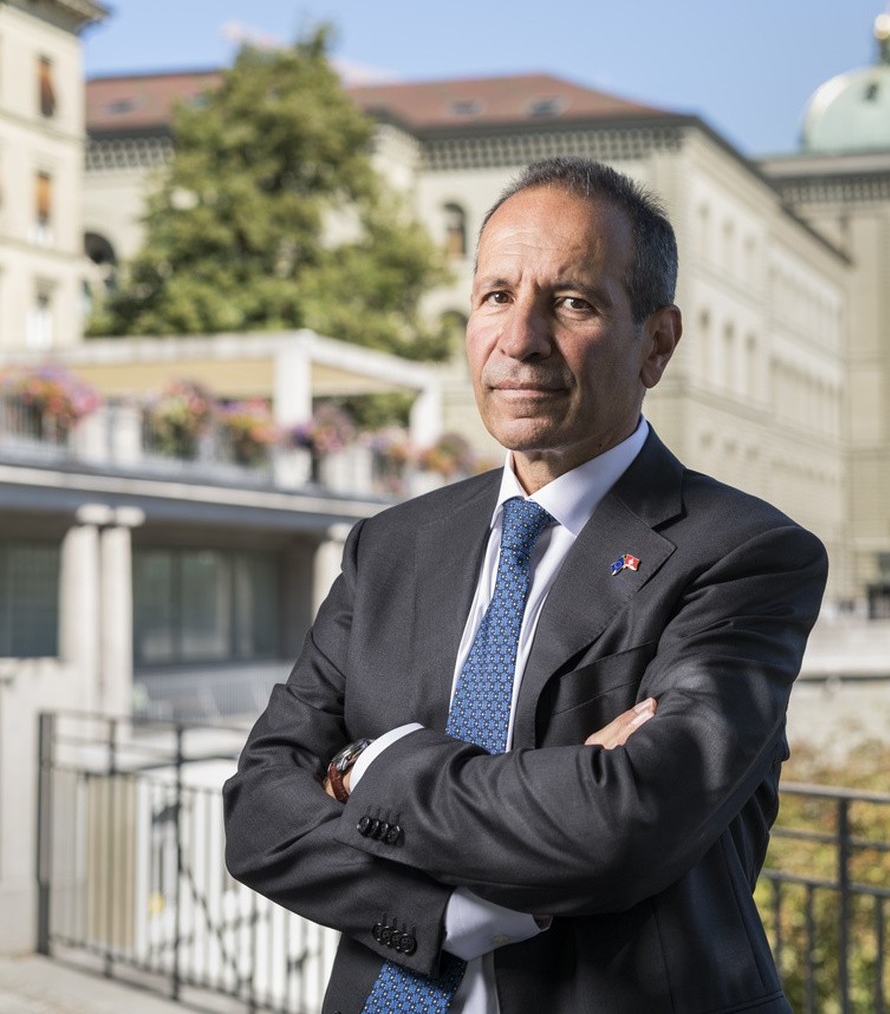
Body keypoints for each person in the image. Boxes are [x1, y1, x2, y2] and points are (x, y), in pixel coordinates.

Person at [223, 156, 827, 1014]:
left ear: (656, 341)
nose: (520, 338)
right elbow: (257, 810)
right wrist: (452, 914)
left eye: (572, 302)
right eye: (496, 296)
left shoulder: (745, 554)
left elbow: (629, 822)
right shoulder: (391, 546)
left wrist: (371, 763)